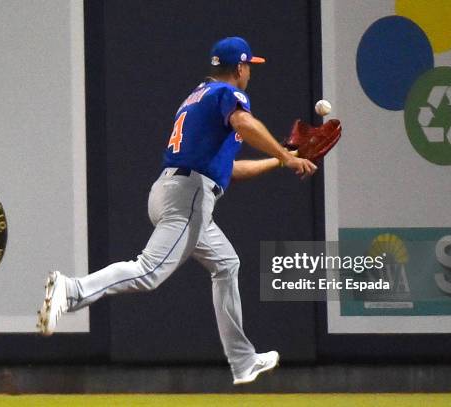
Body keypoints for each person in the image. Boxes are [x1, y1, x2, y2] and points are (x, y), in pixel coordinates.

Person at [37, 36, 317, 385]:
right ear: (240, 67)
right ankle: (72, 289)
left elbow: (229, 171)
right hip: (190, 195)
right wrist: (287, 155)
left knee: (227, 264)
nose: (249, 73)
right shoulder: (227, 94)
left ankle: (243, 361)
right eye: (249, 67)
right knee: (148, 271)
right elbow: (245, 124)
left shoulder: (197, 97)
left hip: (172, 189)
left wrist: (280, 160)